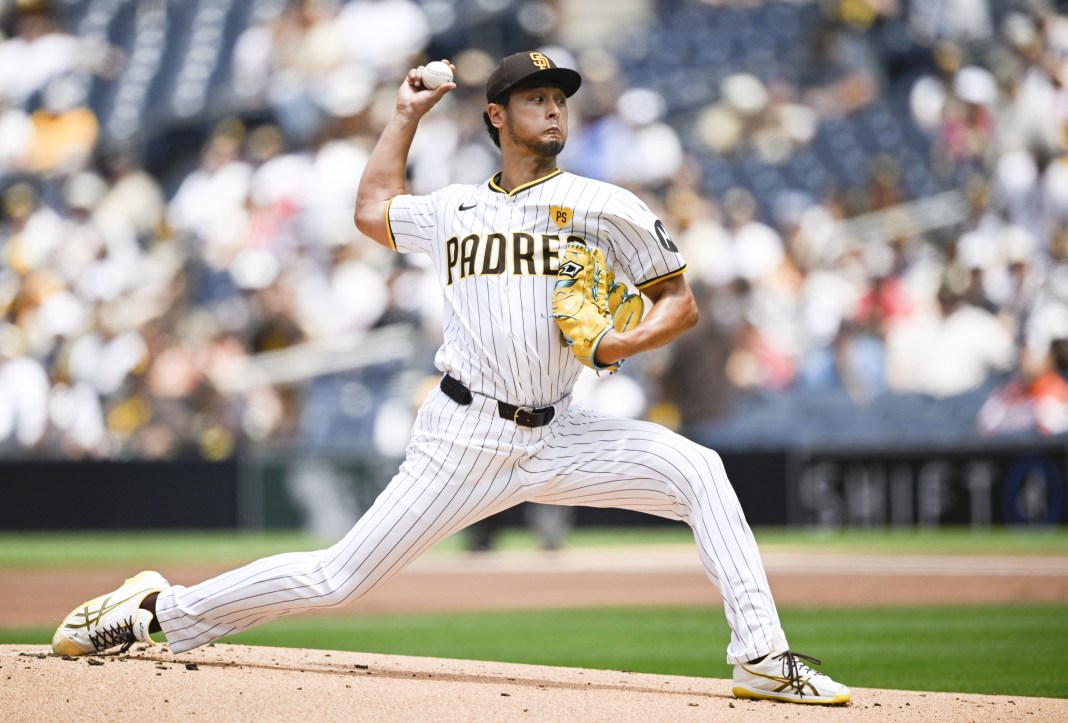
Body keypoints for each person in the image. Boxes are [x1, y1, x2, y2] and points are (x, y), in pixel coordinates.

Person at [52, 51, 850, 706]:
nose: (554, 111)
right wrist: (405, 113)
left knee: (698, 469)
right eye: (535, 98)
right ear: (497, 116)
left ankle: (761, 658)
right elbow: (372, 210)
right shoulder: (456, 209)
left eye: (560, 99)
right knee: (336, 577)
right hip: (462, 436)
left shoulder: (605, 204)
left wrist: (617, 346)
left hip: (562, 431)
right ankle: (159, 608)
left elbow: (679, 305)